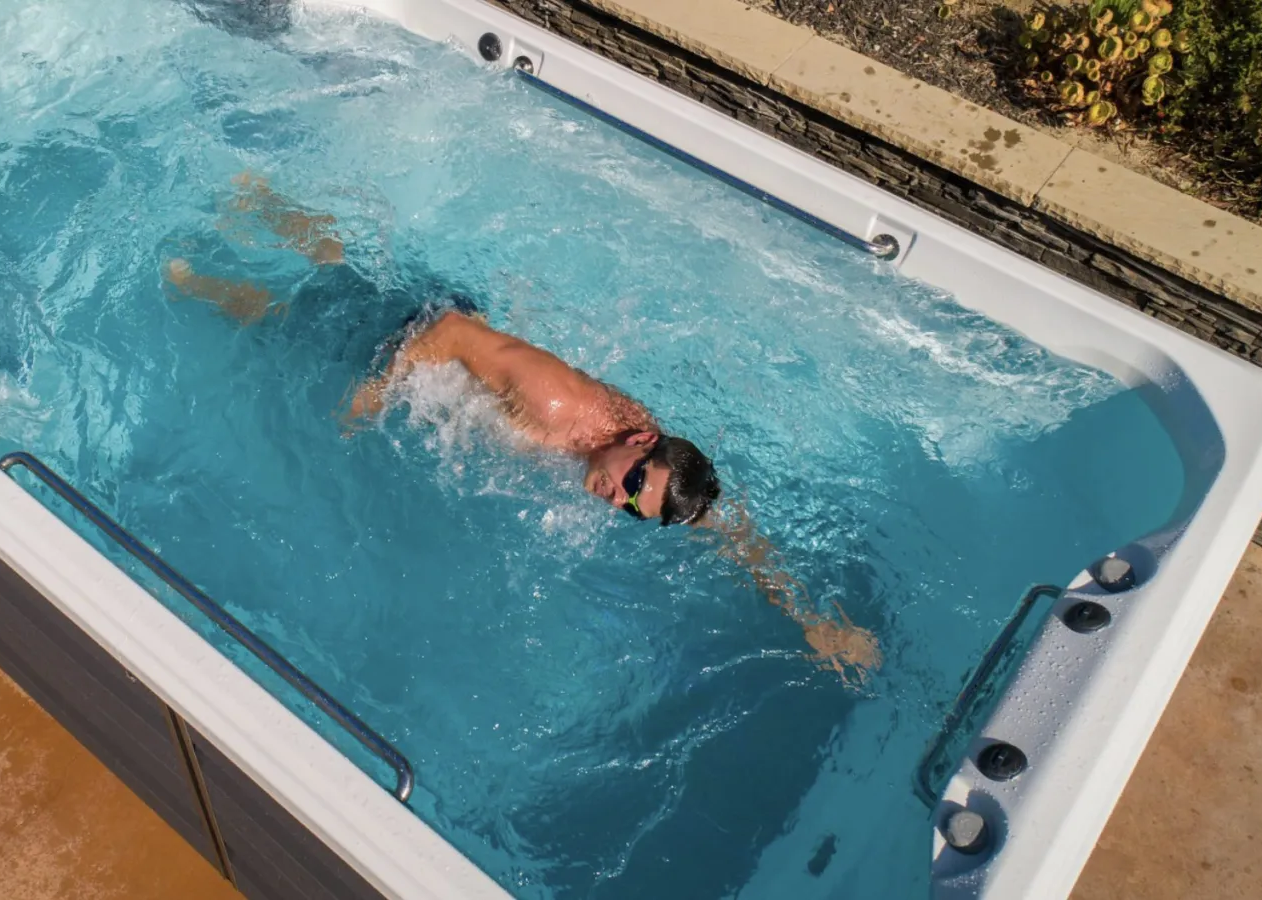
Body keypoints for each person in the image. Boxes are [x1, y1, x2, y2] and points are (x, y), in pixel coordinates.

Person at [165, 174, 882, 684]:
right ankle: (191, 266)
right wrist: (376, 394)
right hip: (423, 332)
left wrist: (808, 618)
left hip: (463, 349)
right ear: (637, 443)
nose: (619, 501)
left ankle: (259, 199)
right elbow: (448, 332)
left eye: (637, 508)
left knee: (335, 275)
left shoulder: (653, 467)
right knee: (289, 321)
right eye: (634, 485)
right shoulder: (559, 411)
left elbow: (729, 528)